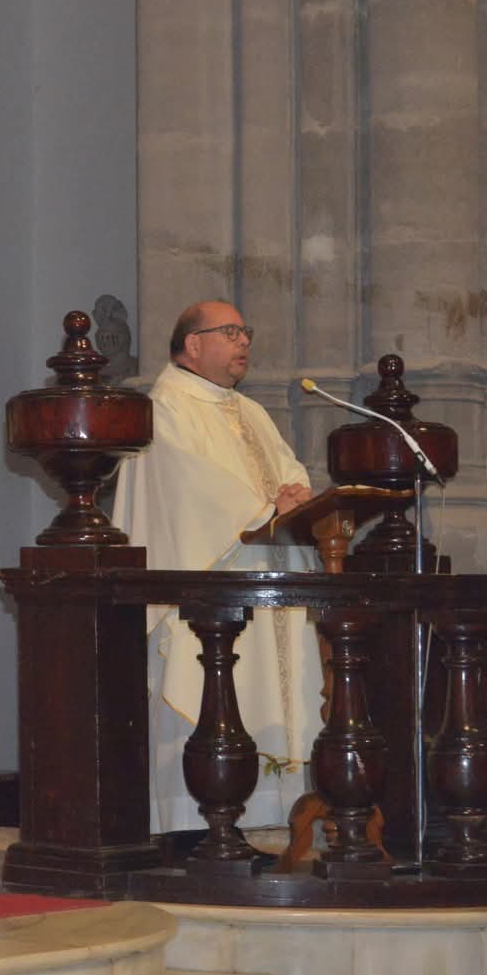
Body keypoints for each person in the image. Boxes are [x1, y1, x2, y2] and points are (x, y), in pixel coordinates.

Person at [110, 299, 322, 834]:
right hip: (211, 591)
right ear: (193, 343)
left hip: (266, 578)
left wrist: (296, 498)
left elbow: (290, 472)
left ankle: (275, 818)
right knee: (213, 690)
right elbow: (190, 490)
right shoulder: (164, 408)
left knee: (268, 697)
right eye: (230, 332)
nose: (244, 341)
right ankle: (197, 824)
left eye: (245, 331)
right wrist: (266, 509)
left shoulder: (249, 411)